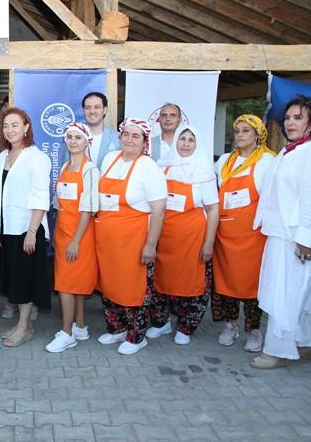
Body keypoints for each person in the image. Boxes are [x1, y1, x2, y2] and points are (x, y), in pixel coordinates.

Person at [251, 96, 311, 369]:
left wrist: (307, 239)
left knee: (284, 292)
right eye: (288, 117)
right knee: (303, 292)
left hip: (296, 235)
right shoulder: (292, 149)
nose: (290, 122)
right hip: (280, 231)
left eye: (298, 117)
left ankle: (278, 351)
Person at [96, 118, 167, 355]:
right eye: (126, 134)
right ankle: (117, 327)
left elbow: (159, 209)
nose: (129, 139)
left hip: (134, 241)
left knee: (134, 288)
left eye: (135, 136)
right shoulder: (110, 159)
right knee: (110, 284)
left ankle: (136, 336)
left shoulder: (149, 167)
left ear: (144, 141)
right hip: (107, 240)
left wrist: (151, 245)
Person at [147, 125, 219, 345]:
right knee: (159, 281)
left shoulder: (204, 172)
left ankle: (186, 327)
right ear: (175, 141)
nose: (186, 144)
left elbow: (213, 210)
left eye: (191, 140)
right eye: (182, 139)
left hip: (192, 238)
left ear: (197, 144)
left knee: (191, 283)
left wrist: (209, 243)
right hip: (164, 237)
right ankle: (161, 323)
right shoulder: (162, 168)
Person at [212, 115, 275, 352]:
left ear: (258, 134)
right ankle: (230, 325)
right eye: (237, 130)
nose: (239, 135)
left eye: (246, 131)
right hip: (225, 234)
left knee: (251, 286)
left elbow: (272, 200)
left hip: (253, 237)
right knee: (226, 283)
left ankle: (254, 330)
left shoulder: (268, 161)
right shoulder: (225, 160)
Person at [0, 108, 51, 347]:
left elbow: (41, 197)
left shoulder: (37, 158)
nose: (10, 130)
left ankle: (25, 327)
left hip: (27, 229)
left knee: (25, 279)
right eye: (5, 126)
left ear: (26, 127)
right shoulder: (2, 156)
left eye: (15, 125)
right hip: (7, 228)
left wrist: (32, 232)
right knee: (14, 278)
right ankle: (21, 324)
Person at [46, 123, 100, 353]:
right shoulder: (66, 166)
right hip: (63, 233)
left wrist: (76, 241)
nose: (73, 141)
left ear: (87, 141)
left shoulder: (90, 170)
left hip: (80, 235)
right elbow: (59, 204)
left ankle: (66, 333)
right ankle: (80, 326)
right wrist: (56, 234)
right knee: (74, 283)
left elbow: (87, 209)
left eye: (78, 138)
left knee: (66, 285)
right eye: (69, 137)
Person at [61, 92, 120, 170]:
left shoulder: (117, 138)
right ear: (83, 110)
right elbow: (65, 168)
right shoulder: (72, 136)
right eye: (88, 107)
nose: (92, 111)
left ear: (105, 110)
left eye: (97, 107)